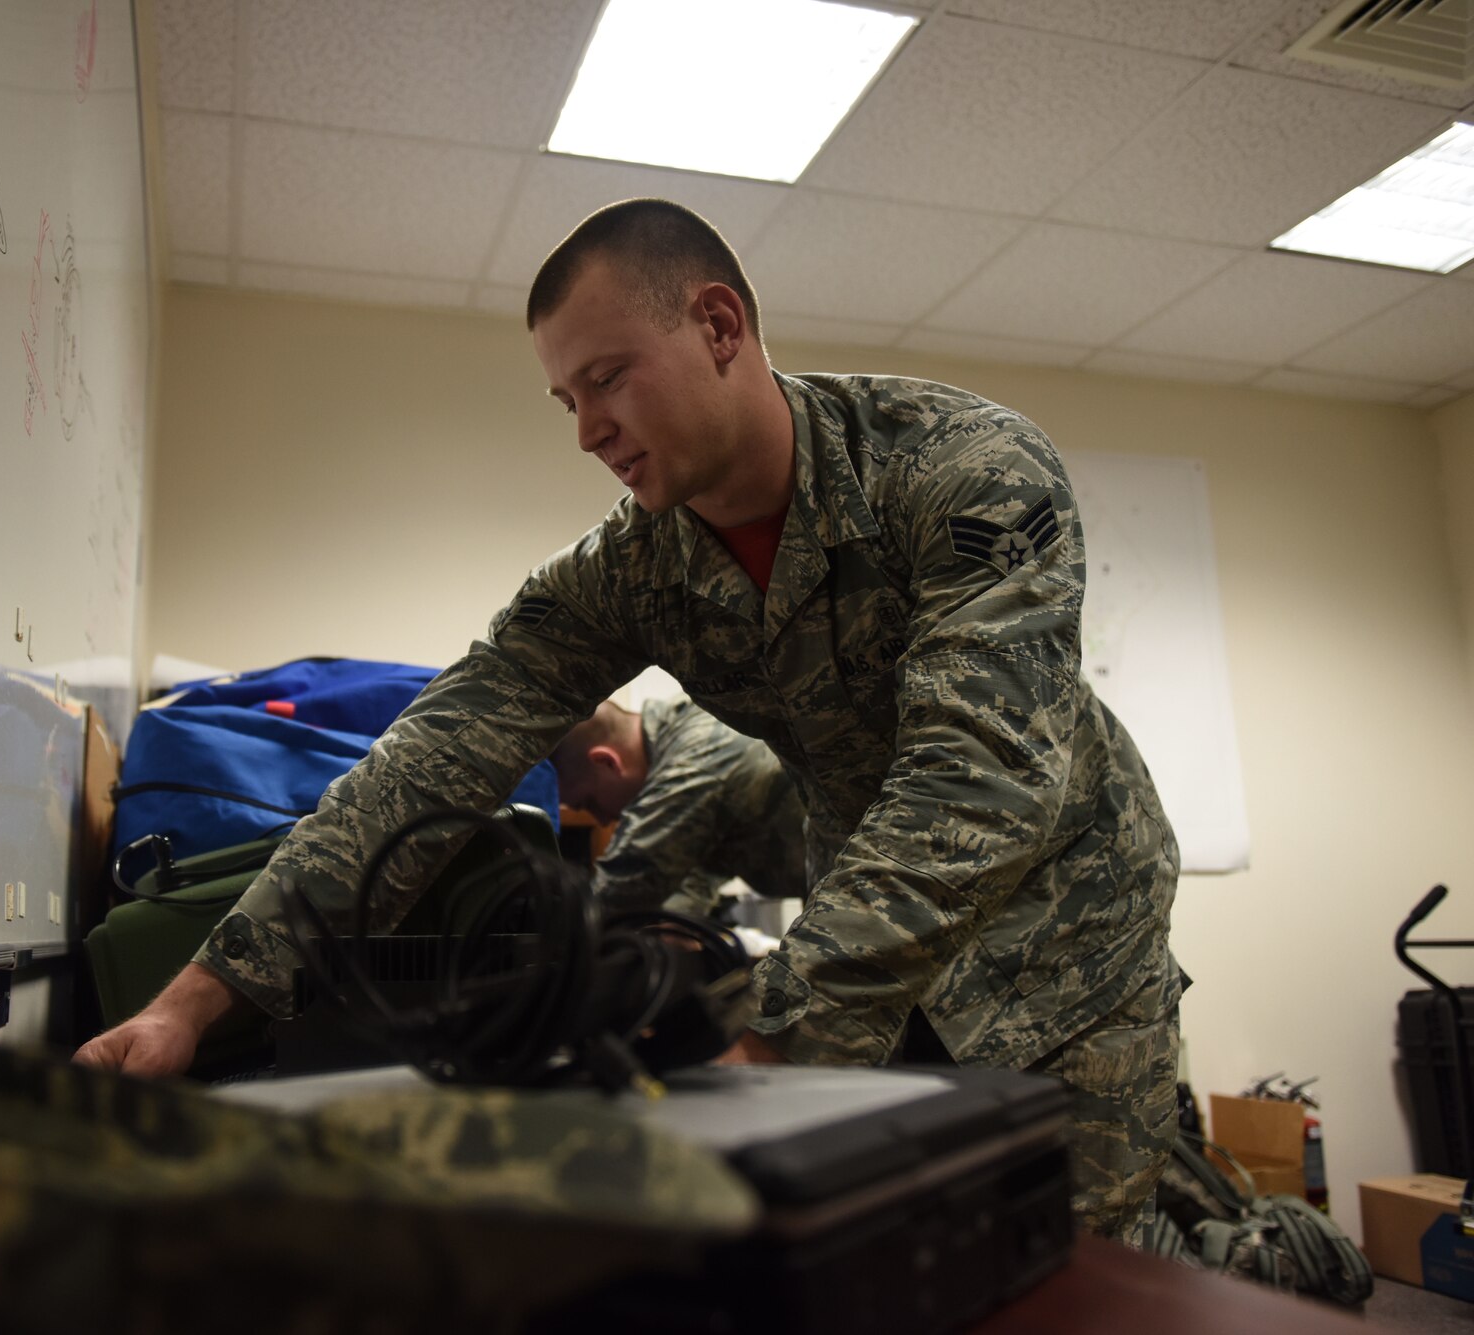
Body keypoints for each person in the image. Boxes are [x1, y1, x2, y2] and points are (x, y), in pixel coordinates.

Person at [77, 198, 1183, 1245]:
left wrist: (768, 1036)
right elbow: (418, 771)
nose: (588, 432)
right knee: (888, 1256)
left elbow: (974, 783)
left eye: (606, 379)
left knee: (1079, 1270)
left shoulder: (962, 470)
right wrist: (188, 1004)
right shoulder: (630, 569)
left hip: (1066, 945)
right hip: (868, 944)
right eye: (567, 401)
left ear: (716, 326)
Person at [552, 695, 805, 918]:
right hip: (828, 889)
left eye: (590, 803)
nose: (603, 820)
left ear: (607, 762)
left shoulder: (696, 758)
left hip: (840, 888)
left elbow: (627, 880)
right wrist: (676, 926)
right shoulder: (681, 729)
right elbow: (697, 867)